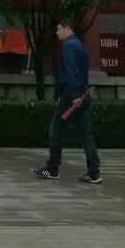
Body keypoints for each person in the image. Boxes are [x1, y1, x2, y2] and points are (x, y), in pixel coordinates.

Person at [34, 19, 100, 184]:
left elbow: (72, 71)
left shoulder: (69, 45)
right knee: (86, 135)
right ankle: (94, 173)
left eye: (59, 29)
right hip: (84, 94)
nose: (57, 33)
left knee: (56, 130)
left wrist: (74, 95)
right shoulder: (81, 46)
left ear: (67, 29)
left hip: (72, 96)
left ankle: (52, 168)